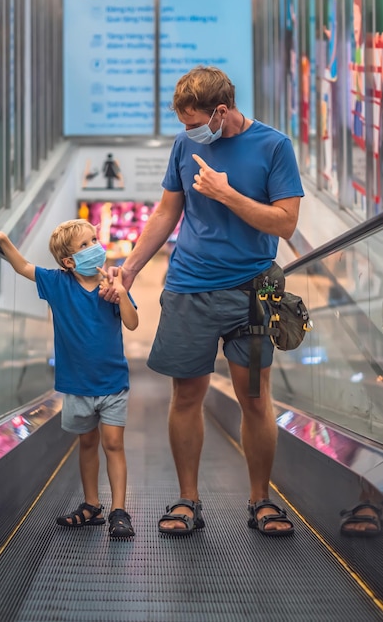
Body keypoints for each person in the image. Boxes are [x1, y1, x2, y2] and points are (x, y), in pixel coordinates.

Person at [103, 66, 304, 536]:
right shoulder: (184, 146)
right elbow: (166, 212)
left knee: (253, 398)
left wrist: (227, 194)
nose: (190, 132)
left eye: (195, 123)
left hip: (252, 293)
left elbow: (284, 224)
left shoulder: (274, 147)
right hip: (189, 287)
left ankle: (261, 501)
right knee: (187, 395)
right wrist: (129, 270)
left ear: (221, 110)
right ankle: (187, 501)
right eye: (184, 124)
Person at [0, 219, 138, 538]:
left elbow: (133, 322)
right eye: (84, 245)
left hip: (113, 383)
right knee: (87, 443)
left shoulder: (110, 286)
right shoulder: (57, 284)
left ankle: (119, 511)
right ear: (69, 261)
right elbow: (23, 267)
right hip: (76, 385)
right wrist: (3, 240)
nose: (94, 247)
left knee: (113, 444)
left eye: (94, 240)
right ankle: (91, 505)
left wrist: (122, 293)